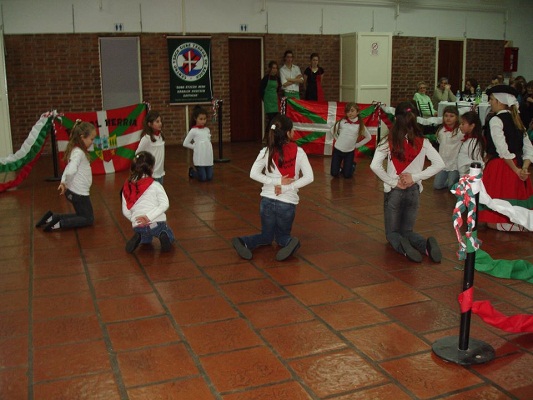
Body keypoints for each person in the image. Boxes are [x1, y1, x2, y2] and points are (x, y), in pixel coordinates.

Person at [231, 114, 314, 261]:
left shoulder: (266, 151)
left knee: (266, 236)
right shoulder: (299, 152)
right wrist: (286, 186)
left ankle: (243, 241)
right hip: (287, 203)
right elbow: (309, 177)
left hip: (267, 201)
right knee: (282, 237)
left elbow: (253, 173)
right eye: (293, 130)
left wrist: (274, 181)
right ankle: (290, 242)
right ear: (288, 133)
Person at [370, 102, 445, 263]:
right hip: (413, 191)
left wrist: (392, 181)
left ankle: (403, 248)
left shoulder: (387, 141)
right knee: (407, 230)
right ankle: (425, 246)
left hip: (395, 191)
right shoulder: (423, 142)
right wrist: (415, 177)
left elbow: (374, 165)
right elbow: (440, 164)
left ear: (396, 118)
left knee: (392, 234)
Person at [480, 85, 533, 231]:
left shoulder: (496, 120)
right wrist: (524, 168)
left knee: (492, 217)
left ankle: (516, 226)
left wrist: (517, 170)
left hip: (502, 167)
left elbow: (502, 150)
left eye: (491, 99)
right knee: (513, 209)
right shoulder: (517, 120)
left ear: (499, 101)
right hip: (517, 166)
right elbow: (528, 149)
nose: (490, 102)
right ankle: (519, 224)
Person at [36, 121, 97, 232]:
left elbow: (68, 168)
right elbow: (71, 170)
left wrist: (64, 182)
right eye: (91, 139)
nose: (92, 142)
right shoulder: (78, 152)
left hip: (76, 192)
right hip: (79, 194)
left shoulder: (76, 150)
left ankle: (52, 218)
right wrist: (65, 182)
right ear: (82, 137)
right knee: (88, 219)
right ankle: (59, 224)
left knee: (81, 215)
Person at [122, 151, 175, 253]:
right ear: (151, 168)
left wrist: (135, 219)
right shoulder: (155, 185)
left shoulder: (127, 187)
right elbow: (165, 204)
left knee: (146, 237)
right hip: (155, 224)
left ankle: (140, 236)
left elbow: (126, 211)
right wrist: (148, 217)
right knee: (168, 234)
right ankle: (164, 235)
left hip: (138, 226)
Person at [330, 102, 371, 179]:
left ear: (357, 112)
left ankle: (351, 165)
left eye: (352, 111)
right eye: (348, 111)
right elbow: (332, 130)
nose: (350, 113)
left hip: (349, 152)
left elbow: (368, 137)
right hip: (337, 150)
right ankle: (341, 167)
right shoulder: (342, 122)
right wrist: (337, 139)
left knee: (347, 175)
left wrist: (357, 145)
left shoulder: (360, 125)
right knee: (334, 173)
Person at [433, 105, 464, 189]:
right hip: (443, 163)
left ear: (457, 117)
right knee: (437, 186)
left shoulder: (460, 131)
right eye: (446, 116)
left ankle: (458, 181)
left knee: (452, 186)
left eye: (451, 116)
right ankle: (450, 180)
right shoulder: (441, 130)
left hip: (454, 164)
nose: (448, 118)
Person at [183, 105, 214, 182]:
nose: (203, 121)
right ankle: (192, 172)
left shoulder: (207, 130)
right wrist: (195, 147)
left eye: (204, 119)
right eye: (201, 119)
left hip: (208, 157)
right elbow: (185, 143)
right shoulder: (193, 130)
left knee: (209, 177)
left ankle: (204, 170)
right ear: (195, 118)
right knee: (203, 178)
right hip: (199, 158)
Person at [136, 110, 165, 184]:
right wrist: (145, 167)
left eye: (160, 121)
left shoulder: (161, 135)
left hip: (160, 172)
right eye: (157, 122)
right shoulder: (146, 138)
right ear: (150, 124)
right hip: (151, 174)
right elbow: (138, 154)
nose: (160, 124)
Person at [457, 111, 486, 176]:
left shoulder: (473, 142)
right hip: (465, 174)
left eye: (463, 124)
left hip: (469, 176)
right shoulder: (469, 140)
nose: (460, 126)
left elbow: (478, 161)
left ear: (472, 126)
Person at [260, 60, 282, 135]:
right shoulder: (266, 78)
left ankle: (271, 134)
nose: (274, 70)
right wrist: (264, 99)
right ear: (270, 69)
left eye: (276, 68)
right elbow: (261, 90)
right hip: (268, 100)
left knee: (275, 120)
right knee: (271, 119)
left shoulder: (277, 79)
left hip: (275, 100)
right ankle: (267, 135)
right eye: (273, 68)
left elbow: (279, 88)